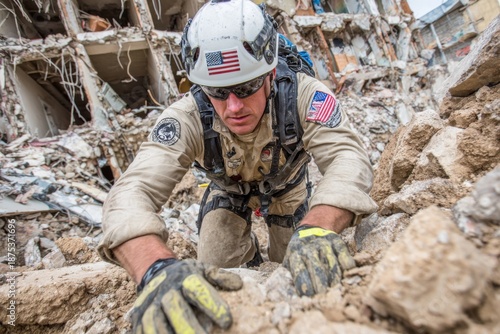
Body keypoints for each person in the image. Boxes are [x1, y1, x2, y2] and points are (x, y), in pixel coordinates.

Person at [97, 0, 378, 332]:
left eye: (246, 87)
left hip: (288, 188)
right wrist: (155, 268)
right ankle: (250, 262)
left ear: (271, 73)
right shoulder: (186, 117)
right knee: (217, 267)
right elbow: (133, 190)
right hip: (228, 192)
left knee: (300, 265)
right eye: (217, 91)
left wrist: (319, 226)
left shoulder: (305, 95)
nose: (232, 107)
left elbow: (347, 157)